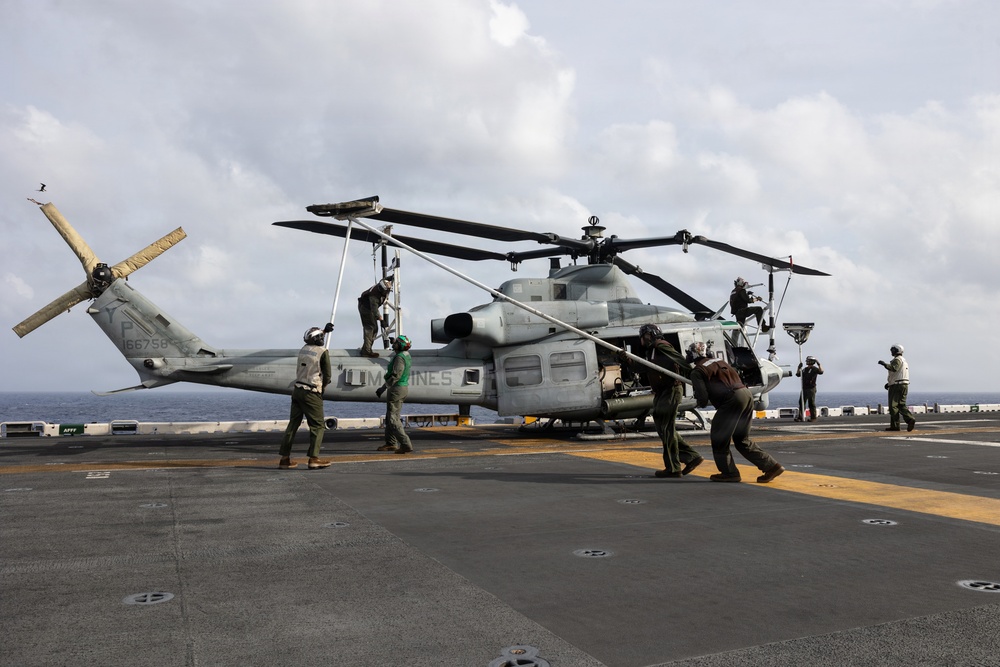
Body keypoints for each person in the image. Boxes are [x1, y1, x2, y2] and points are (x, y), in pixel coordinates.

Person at [687, 341, 784, 483]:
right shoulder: (721, 362)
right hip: (746, 394)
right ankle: (771, 467)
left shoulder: (697, 371)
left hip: (731, 401)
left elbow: (702, 397)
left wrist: (699, 401)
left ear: (693, 355)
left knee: (719, 438)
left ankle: (729, 473)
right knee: (742, 439)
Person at [618, 324, 703, 478]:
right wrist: (628, 360)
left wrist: (696, 379)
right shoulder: (652, 351)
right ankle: (691, 457)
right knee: (663, 428)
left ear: (650, 335)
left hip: (670, 390)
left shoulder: (661, 346)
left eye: (644, 336)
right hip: (662, 393)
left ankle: (673, 467)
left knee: (666, 429)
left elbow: (680, 360)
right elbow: (644, 368)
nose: (643, 340)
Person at [278, 323, 334, 470]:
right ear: (316, 339)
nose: (322, 338)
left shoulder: (303, 350)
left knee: (293, 425)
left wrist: (324, 330)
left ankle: (285, 459)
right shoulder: (323, 351)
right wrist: (323, 388)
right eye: (321, 337)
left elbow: (312, 338)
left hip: (297, 390)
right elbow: (327, 375)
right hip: (312, 392)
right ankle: (314, 459)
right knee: (317, 426)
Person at [375, 334, 413, 454]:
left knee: (392, 418)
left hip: (396, 389)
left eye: (395, 343)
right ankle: (391, 443)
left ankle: (405, 444)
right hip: (401, 388)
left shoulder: (399, 358)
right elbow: (399, 351)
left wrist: (383, 387)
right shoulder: (405, 355)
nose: (393, 344)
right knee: (389, 416)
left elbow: (396, 375)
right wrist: (395, 342)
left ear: (400, 345)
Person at [878, 344, 916, 432]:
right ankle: (910, 419)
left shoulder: (897, 360)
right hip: (904, 384)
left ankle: (895, 426)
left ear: (897, 350)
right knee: (901, 404)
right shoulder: (904, 361)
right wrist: (889, 383)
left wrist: (884, 364)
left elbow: (894, 368)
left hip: (897, 385)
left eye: (893, 350)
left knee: (893, 406)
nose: (891, 351)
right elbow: (899, 374)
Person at [358, 275, 394, 358]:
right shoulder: (374, 297)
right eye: (386, 291)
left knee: (374, 328)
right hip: (366, 308)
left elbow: (385, 279)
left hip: (367, 307)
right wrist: (381, 320)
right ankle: (366, 351)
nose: (387, 293)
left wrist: (391, 277)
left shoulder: (381, 283)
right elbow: (374, 310)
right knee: (370, 328)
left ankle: (366, 349)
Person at [795, 356, 824, 422]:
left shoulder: (814, 369)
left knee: (811, 403)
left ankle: (813, 417)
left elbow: (821, 372)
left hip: (811, 388)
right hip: (804, 388)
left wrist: (819, 364)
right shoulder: (805, 369)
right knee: (801, 403)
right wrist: (798, 368)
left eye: (809, 361)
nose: (807, 362)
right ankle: (800, 417)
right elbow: (798, 374)